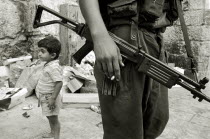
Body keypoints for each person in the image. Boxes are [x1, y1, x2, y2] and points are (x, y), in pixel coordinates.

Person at [79, 0, 178, 139]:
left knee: (156, 121)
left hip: (155, 38)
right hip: (124, 39)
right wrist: (99, 36)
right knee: (123, 129)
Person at [36, 36, 63, 139]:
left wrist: (52, 98)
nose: (39, 54)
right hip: (45, 97)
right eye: (39, 51)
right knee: (49, 116)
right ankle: (52, 133)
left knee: (53, 119)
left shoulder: (53, 67)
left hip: (50, 98)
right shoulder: (49, 64)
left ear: (53, 55)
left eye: (42, 51)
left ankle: (56, 136)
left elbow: (59, 83)